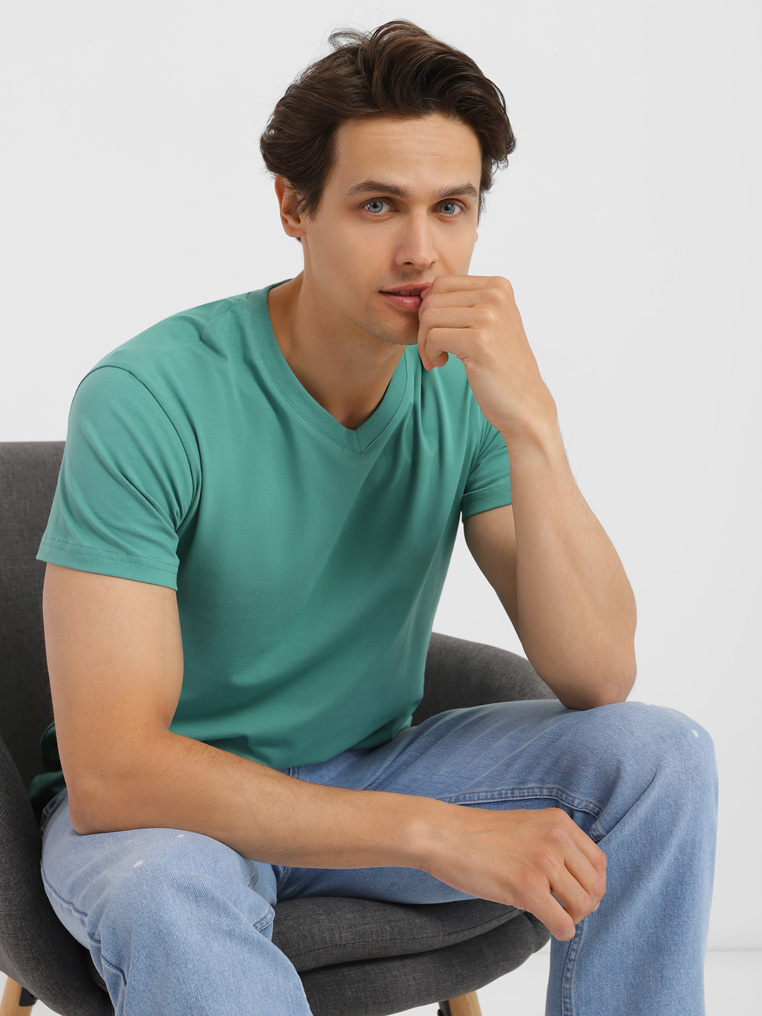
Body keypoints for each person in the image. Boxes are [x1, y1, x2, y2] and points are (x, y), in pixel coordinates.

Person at [30, 19, 718, 1016]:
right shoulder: (151, 397)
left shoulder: (467, 385)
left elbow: (597, 673)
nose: (421, 253)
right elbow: (115, 773)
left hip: (370, 763)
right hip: (172, 811)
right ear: (294, 206)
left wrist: (533, 423)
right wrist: (430, 831)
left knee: (661, 759)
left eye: (452, 208)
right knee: (163, 891)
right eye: (378, 205)